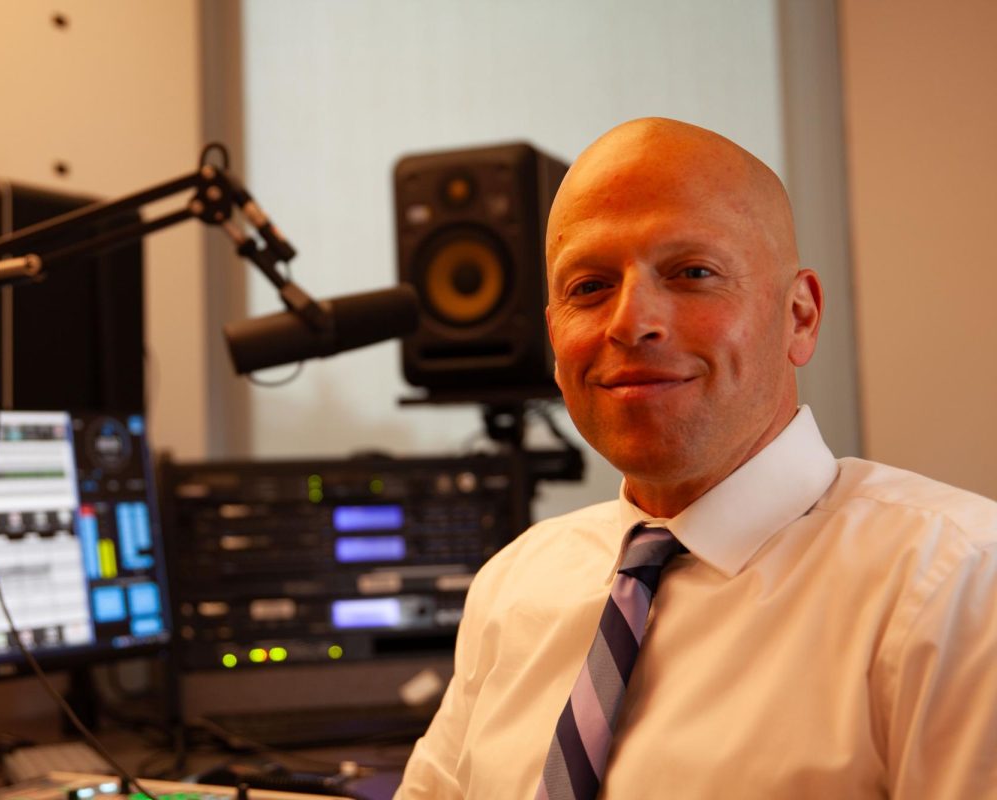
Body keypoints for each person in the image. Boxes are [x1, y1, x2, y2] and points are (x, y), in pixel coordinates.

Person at [394, 118, 997, 799]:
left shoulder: (960, 587)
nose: (630, 321)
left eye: (692, 273)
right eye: (589, 287)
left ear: (799, 316)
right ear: (554, 341)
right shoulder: (516, 584)